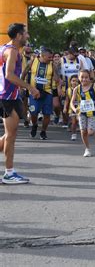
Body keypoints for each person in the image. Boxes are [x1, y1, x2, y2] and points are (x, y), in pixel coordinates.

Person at [0, 23, 40, 184]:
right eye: (26, 34)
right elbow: (9, 75)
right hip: (7, 97)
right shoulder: (12, 51)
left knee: (12, 133)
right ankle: (9, 173)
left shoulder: (5, 48)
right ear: (18, 36)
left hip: (11, 96)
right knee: (10, 135)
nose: (28, 37)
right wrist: (30, 87)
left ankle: (10, 172)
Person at [21, 48, 59, 140]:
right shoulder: (33, 61)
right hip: (34, 92)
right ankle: (34, 125)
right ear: (42, 55)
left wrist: (56, 77)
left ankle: (43, 131)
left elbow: (57, 78)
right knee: (33, 112)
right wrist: (21, 85)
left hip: (47, 92)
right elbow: (24, 72)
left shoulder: (52, 65)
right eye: (49, 57)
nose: (51, 59)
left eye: (52, 57)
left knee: (47, 113)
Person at [70, 70, 95, 157]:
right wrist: (75, 109)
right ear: (79, 78)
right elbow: (72, 102)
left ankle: (94, 127)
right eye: (82, 77)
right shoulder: (77, 89)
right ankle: (87, 149)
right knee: (83, 131)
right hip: (82, 112)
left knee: (90, 132)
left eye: (86, 77)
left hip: (92, 113)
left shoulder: (94, 86)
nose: (84, 79)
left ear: (89, 78)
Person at [63, 75, 80, 141]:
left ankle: (82, 132)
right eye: (73, 81)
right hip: (72, 108)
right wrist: (65, 107)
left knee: (78, 120)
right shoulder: (68, 90)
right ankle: (73, 134)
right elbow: (67, 100)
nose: (75, 82)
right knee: (74, 122)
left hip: (79, 107)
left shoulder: (81, 89)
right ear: (70, 82)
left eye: (76, 81)